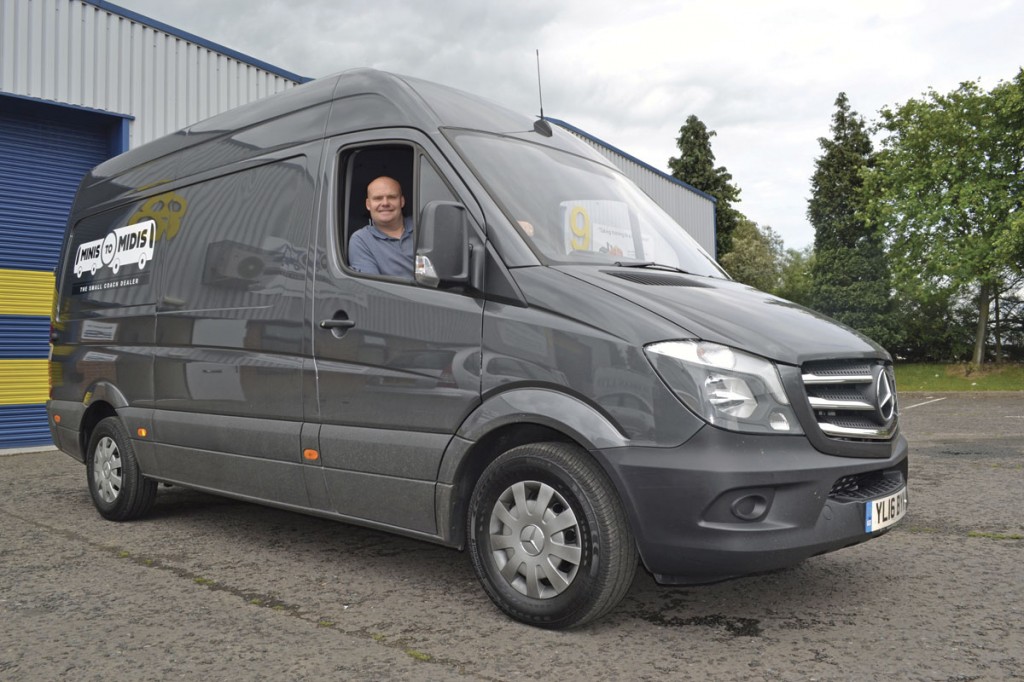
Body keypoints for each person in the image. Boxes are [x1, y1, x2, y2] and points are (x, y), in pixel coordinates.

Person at [348, 176, 414, 279]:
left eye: (391, 197)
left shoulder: (424, 226)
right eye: (378, 198)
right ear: (368, 204)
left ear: (402, 201)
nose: (385, 203)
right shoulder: (361, 240)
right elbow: (375, 289)